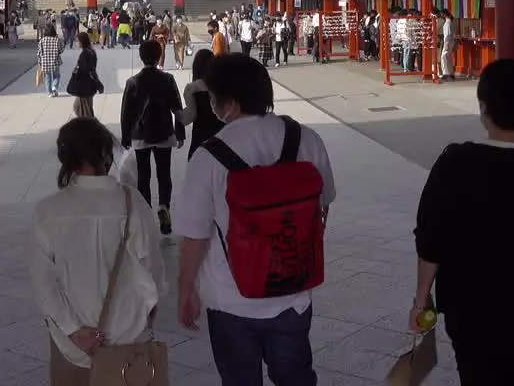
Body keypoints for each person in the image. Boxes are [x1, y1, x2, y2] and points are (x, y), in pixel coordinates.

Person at [410, 58, 514, 384]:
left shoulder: (455, 164)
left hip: (470, 309)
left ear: (484, 108)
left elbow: (430, 240)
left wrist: (421, 301)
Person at [174, 53, 336, 386]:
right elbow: (323, 205)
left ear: (229, 102)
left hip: (230, 300)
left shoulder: (208, 156)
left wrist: (186, 287)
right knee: (295, 378)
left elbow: (195, 235)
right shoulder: (306, 138)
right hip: (293, 295)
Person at [31, 117, 168, 386]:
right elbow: (153, 269)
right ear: (106, 154)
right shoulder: (132, 202)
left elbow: (42, 283)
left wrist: (73, 331)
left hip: (72, 346)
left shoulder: (47, 211)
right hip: (129, 339)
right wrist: (148, 310)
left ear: (66, 159)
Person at [119, 41, 185, 235]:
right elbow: (177, 108)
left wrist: (125, 137)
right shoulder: (168, 79)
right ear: (159, 57)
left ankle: (146, 215)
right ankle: (164, 209)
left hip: (140, 135)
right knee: (164, 175)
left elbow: (126, 113)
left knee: (143, 177)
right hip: (164, 132)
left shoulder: (133, 82)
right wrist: (179, 132)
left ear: (141, 57)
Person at [181, 50, 225, 159]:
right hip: (221, 134)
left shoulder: (192, 88)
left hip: (200, 135)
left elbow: (191, 116)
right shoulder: (222, 86)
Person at [70, 32, 102, 119]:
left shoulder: (86, 53)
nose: (76, 43)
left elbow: (88, 70)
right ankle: (88, 125)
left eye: (77, 41)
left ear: (81, 41)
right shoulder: (90, 51)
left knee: (85, 111)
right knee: (80, 108)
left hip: (85, 85)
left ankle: (91, 127)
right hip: (87, 84)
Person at [38, 24, 64, 97]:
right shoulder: (57, 40)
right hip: (55, 61)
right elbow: (61, 50)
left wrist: (40, 61)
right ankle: (54, 88)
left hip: (45, 61)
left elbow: (39, 52)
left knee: (47, 77)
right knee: (57, 76)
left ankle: (49, 92)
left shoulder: (42, 41)